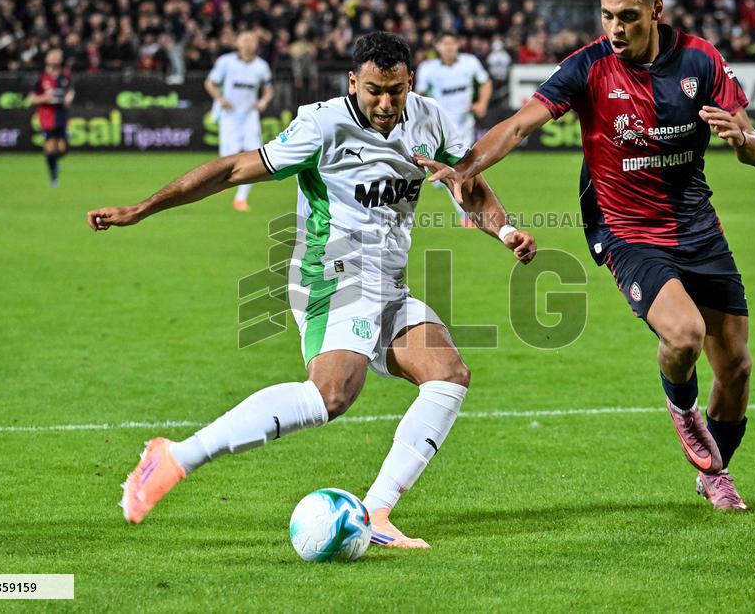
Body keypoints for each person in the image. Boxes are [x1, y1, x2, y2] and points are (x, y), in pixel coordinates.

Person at [87, 32, 536, 548]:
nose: (386, 104)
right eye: (373, 91)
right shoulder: (323, 124)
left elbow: (469, 184)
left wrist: (505, 232)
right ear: (353, 82)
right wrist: (142, 209)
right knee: (332, 394)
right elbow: (233, 168)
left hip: (388, 282)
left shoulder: (429, 118)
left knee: (448, 376)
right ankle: (175, 457)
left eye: (396, 91)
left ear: (410, 81)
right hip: (332, 274)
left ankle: (376, 513)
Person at [418, 0, 755, 511]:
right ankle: (685, 415)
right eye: (606, 15)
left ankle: (714, 474)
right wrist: (465, 167)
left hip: (698, 226)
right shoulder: (588, 67)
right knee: (683, 335)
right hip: (625, 229)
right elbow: (519, 124)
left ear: (656, 12)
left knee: (738, 366)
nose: (615, 28)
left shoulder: (702, 59)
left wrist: (740, 139)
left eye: (627, 16)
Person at [415, 31, 492, 226]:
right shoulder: (428, 69)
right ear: (437, 47)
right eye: (444, 44)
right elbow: (418, 95)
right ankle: (464, 207)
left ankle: (466, 214)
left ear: (458, 44)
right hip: (438, 127)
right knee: (454, 170)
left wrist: (481, 103)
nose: (449, 47)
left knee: (460, 168)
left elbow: (485, 83)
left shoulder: (470, 62)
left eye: (452, 43)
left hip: (464, 127)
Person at [205, 30, 274, 212]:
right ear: (237, 44)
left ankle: (241, 198)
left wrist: (263, 102)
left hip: (249, 116)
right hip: (229, 115)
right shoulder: (226, 62)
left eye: (252, 40)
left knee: (255, 156)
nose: (248, 43)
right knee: (229, 156)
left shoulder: (261, 66)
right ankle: (223, 183)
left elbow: (268, 89)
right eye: (245, 40)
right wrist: (219, 98)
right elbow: (210, 83)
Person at [27, 48, 73, 187]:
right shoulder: (40, 78)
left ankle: (53, 161)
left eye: (58, 56)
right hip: (47, 116)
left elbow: (70, 91)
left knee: (63, 148)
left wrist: (68, 98)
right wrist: (44, 98)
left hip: (61, 114)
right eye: (53, 56)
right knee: (50, 146)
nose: (56, 58)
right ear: (47, 59)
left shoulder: (65, 76)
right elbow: (31, 98)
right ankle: (53, 175)